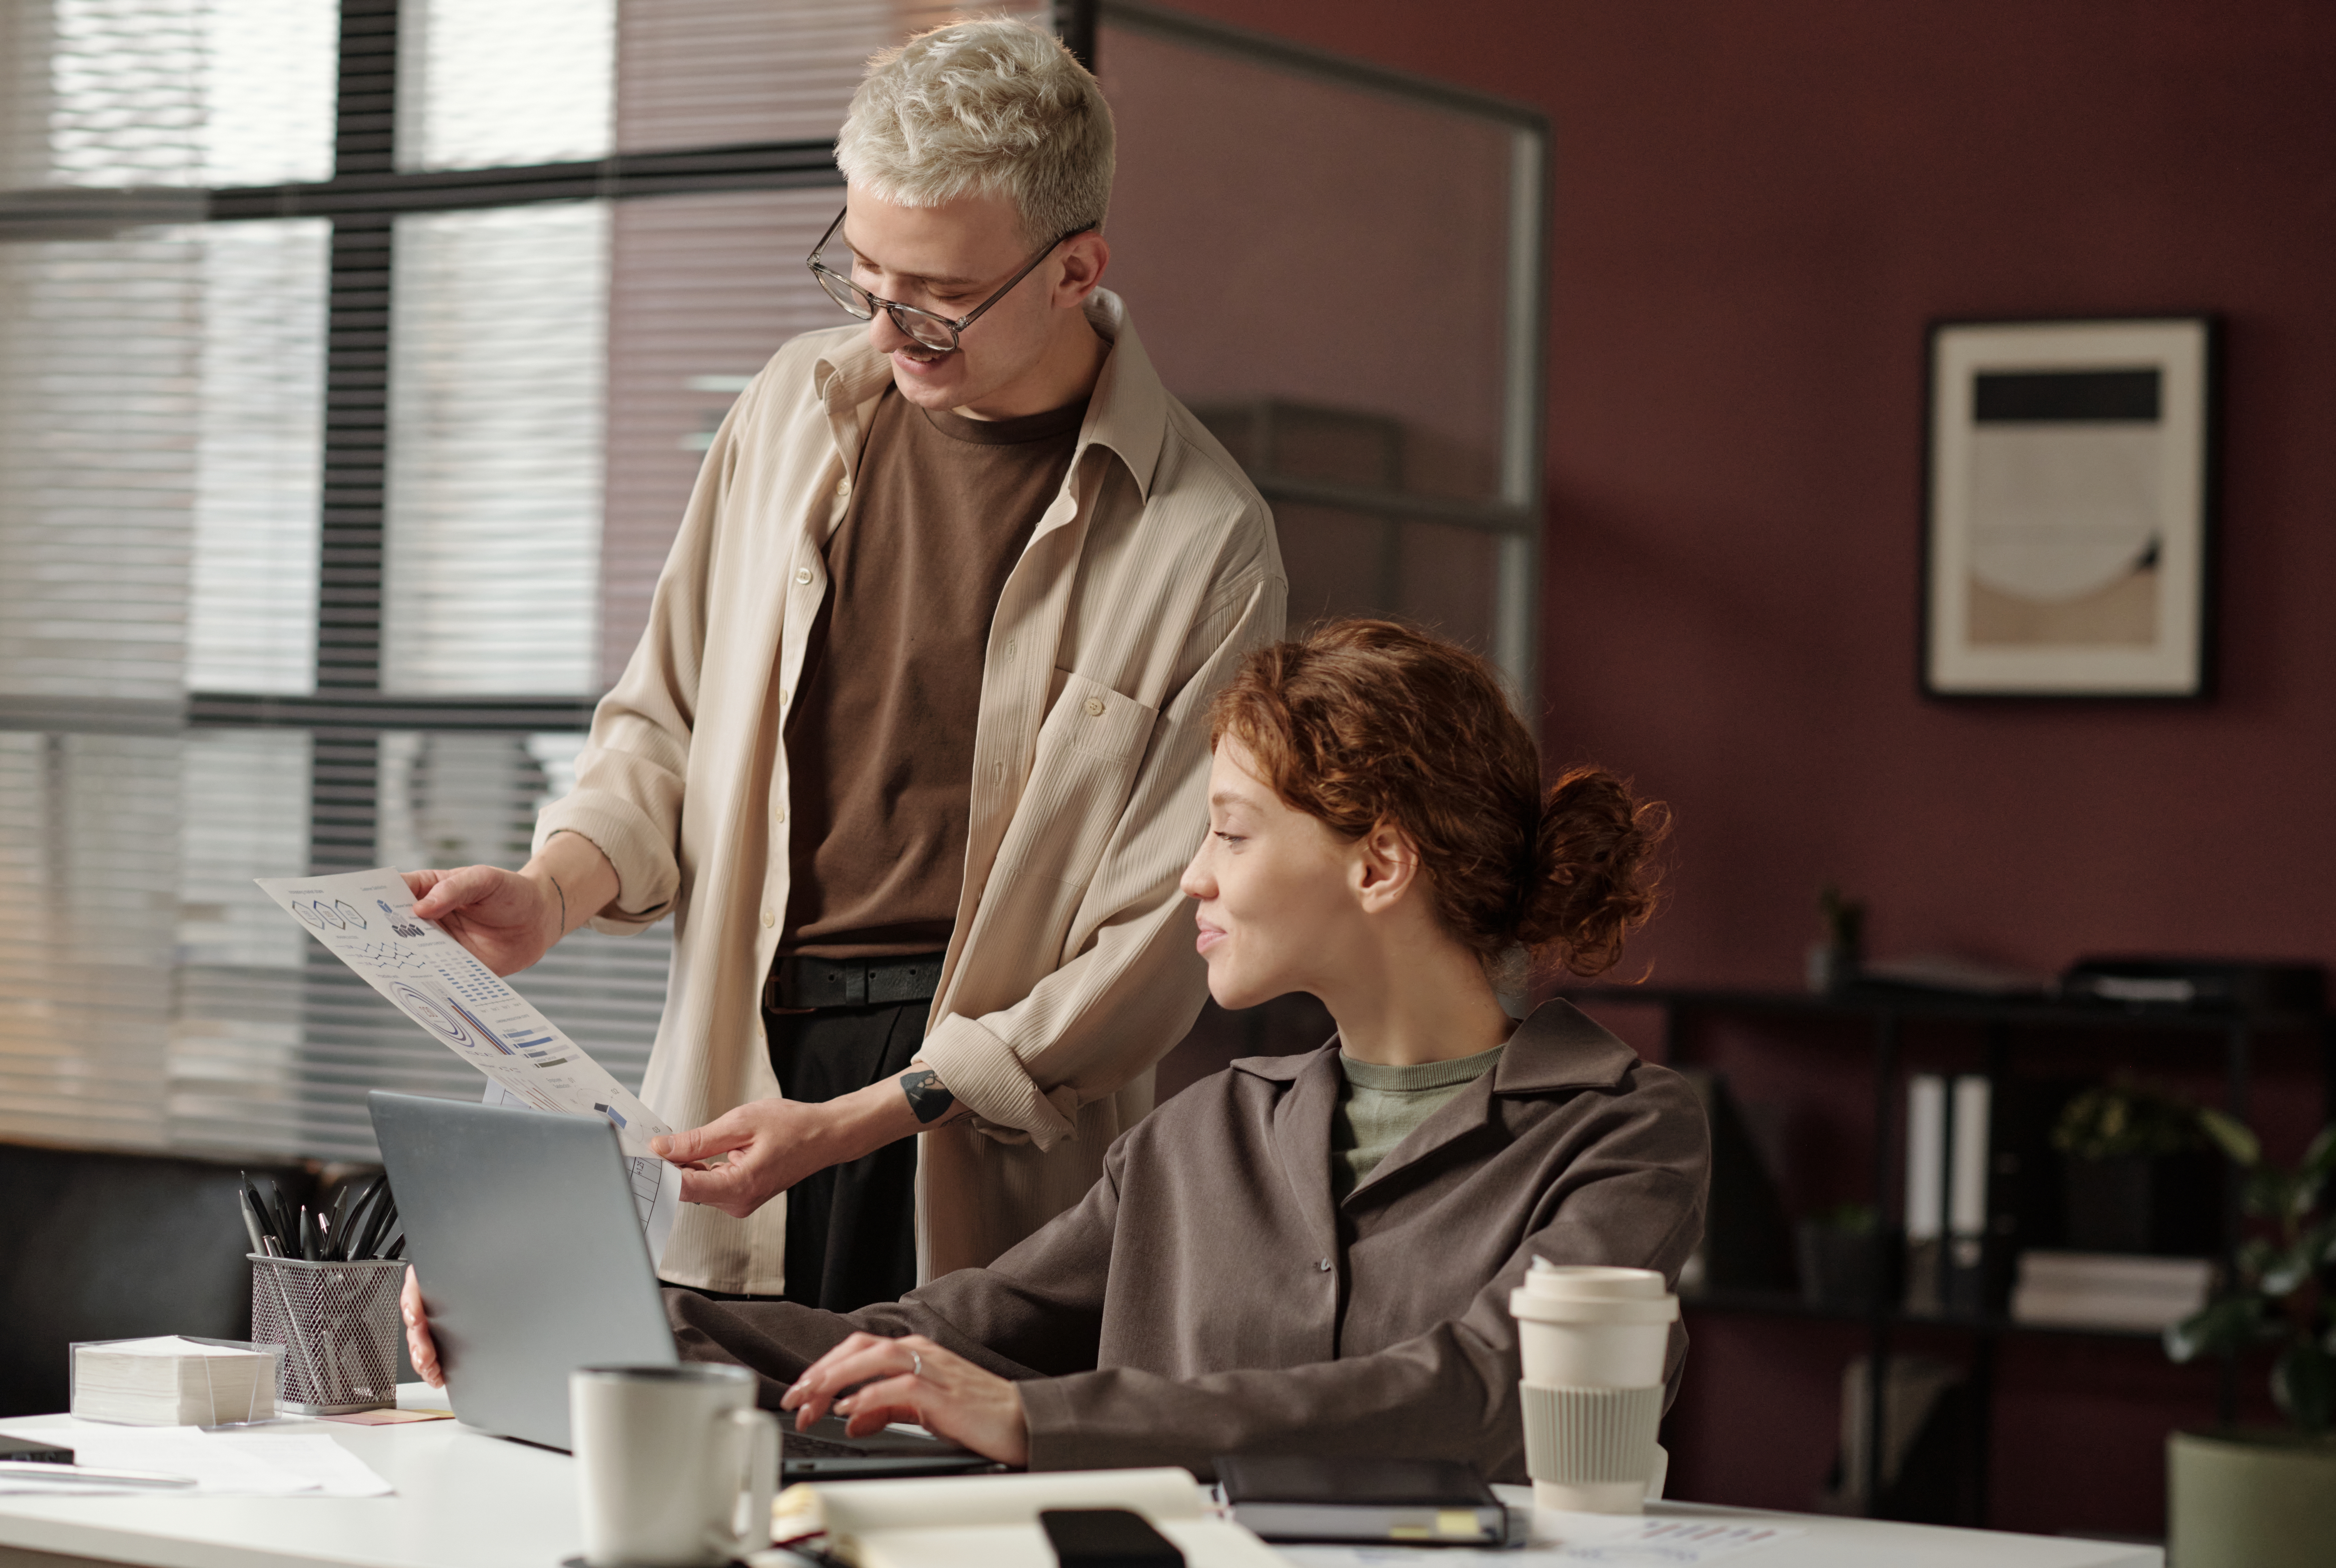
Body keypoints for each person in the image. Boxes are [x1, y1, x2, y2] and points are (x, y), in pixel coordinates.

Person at [395, 18, 1286, 1305]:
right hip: (733, 1065)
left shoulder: (1207, 541)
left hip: (966, 1122)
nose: (889, 327)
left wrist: (875, 1111)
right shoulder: (789, 406)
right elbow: (664, 724)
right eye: (863, 275)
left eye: (935, 297)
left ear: (1072, 268)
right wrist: (553, 891)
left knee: (920, 1479)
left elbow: (1147, 953)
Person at [406, 620, 1707, 1478]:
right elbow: (938, 1331)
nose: (1194, 875)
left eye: (1235, 833)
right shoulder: (1204, 1133)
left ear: (1377, 863)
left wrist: (1044, 1416)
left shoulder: (1622, 1133)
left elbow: (1479, 1392)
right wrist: (611, 1318)